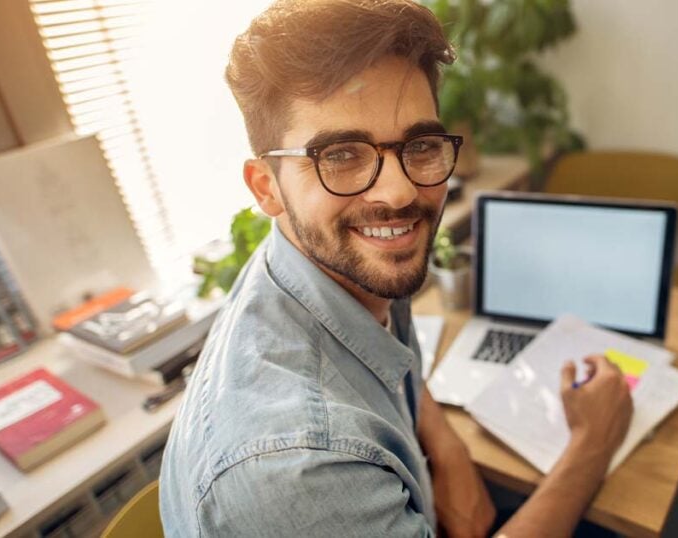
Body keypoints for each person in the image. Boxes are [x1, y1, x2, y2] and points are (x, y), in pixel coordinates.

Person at [159, 1, 633, 536]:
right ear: (266, 187)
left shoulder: (338, 265)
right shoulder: (296, 471)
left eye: (421, 145)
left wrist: (449, 450)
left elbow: (388, 360)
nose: (400, 191)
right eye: (340, 155)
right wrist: (592, 446)